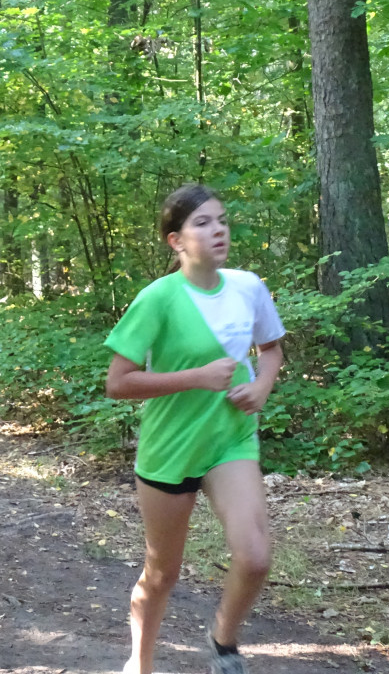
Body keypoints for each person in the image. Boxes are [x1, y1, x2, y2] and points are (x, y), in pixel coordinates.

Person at [104, 184, 285, 674]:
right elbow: (118, 383)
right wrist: (196, 378)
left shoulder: (248, 286)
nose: (218, 229)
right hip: (170, 450)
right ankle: (139, 664)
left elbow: (271, 350)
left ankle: (223, 645)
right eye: (202, 222)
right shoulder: (157, 299)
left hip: (230, 439)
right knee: (162, 574)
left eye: (221, 219)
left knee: (254, 557)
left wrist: (263, 386)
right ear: (175, 240)